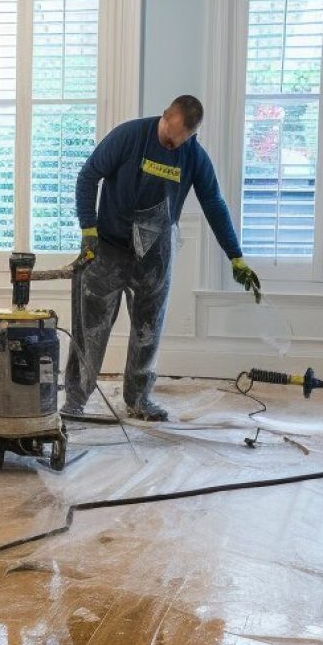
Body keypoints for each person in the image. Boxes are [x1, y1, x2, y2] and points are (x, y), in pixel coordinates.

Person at [63, 95, 261, 422]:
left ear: (192, 134)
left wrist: (235, 255)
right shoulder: (129, 136)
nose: (173, 145)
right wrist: (88, 227)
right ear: (166, 115)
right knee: (90, 328)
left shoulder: (193, 155)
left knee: (148, 330)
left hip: (154, 253)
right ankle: (75, 399)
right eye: (171, 136)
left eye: (181, 140)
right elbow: (88, 176)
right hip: (108, 247)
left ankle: (139, 398)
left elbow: (214, 203)